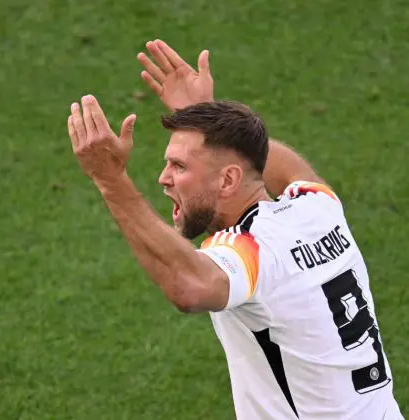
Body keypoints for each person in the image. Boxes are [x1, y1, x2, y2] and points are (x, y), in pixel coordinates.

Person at [66, 39, 404, 419]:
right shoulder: (316, 209)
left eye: (179, 166)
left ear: (228, 180)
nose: (163, 179)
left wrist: (111, 180)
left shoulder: (248, 249)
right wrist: (204, 115)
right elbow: (289, 169)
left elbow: (190, 287)